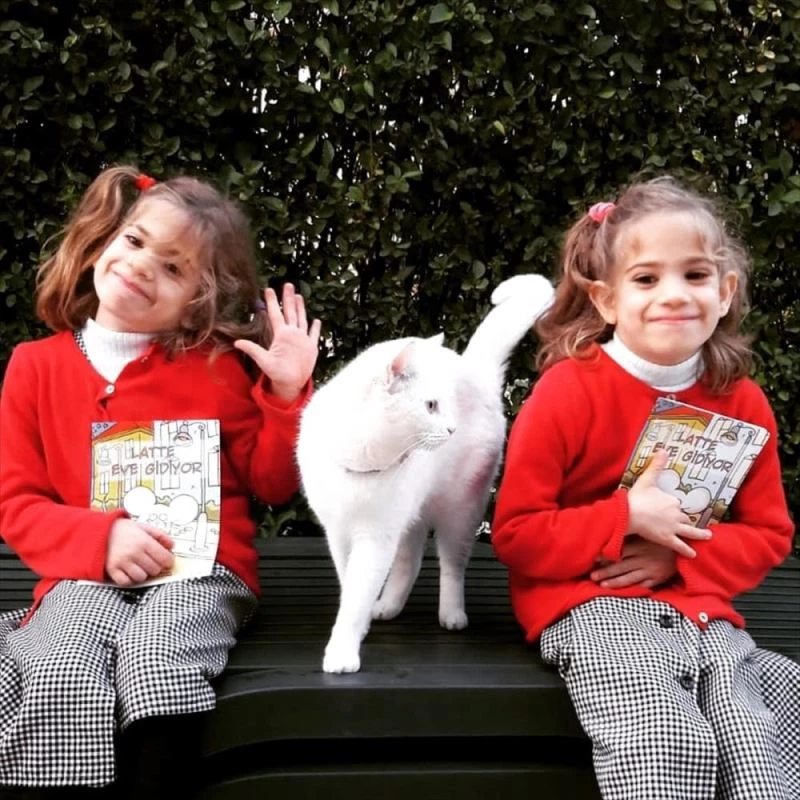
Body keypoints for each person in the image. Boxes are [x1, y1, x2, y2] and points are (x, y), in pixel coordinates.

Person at [0, 166, 321, 799]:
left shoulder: (216, 369)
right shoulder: (33, 367)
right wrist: (100, 541)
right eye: (136, 241)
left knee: (156, 653)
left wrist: (287, 396)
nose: (143, 266)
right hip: (83, 574)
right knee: (60, 663)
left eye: (173, 268)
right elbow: (17, 504)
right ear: (104, 239)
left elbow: (272, 484)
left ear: (197, 299)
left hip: (201, 571)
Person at [492, 176, 799, 800]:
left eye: (695, 275)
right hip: (590, 606)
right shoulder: (567, 392)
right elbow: (517, 535)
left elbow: (769, 534)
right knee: (667, 735)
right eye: (646, 279)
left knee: (761, 722)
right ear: (606, 300)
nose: (674, 295)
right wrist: (624, 517)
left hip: (702, 611)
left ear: (724, 291)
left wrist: (676, 555)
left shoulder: (742, 402)